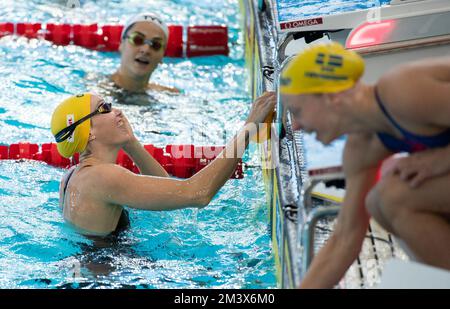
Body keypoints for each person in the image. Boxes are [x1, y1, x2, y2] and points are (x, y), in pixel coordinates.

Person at [280, 42, 450, 288]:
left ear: (331, 97)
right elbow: (345, 238)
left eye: (298, 111)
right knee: (377, 202)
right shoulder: (362, 147)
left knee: (395, 195)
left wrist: (439, 160)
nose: (296, 126)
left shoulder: (403, 90)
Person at [50, 92, 275, 236]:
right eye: (104, 108)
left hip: (94, 268)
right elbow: (198, 193)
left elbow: (164, 188)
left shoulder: (72, 175)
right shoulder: (104, 177)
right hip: (109, 277)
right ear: (87, 133)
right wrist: (249, 128)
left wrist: (131, 143)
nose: (117, 111)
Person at [110, 12, 179, 93]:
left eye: (156, 44)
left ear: (162, 56)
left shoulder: (170, 95)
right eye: (137, 39)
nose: (146, 50)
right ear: (121, 44)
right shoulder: (94, 89)